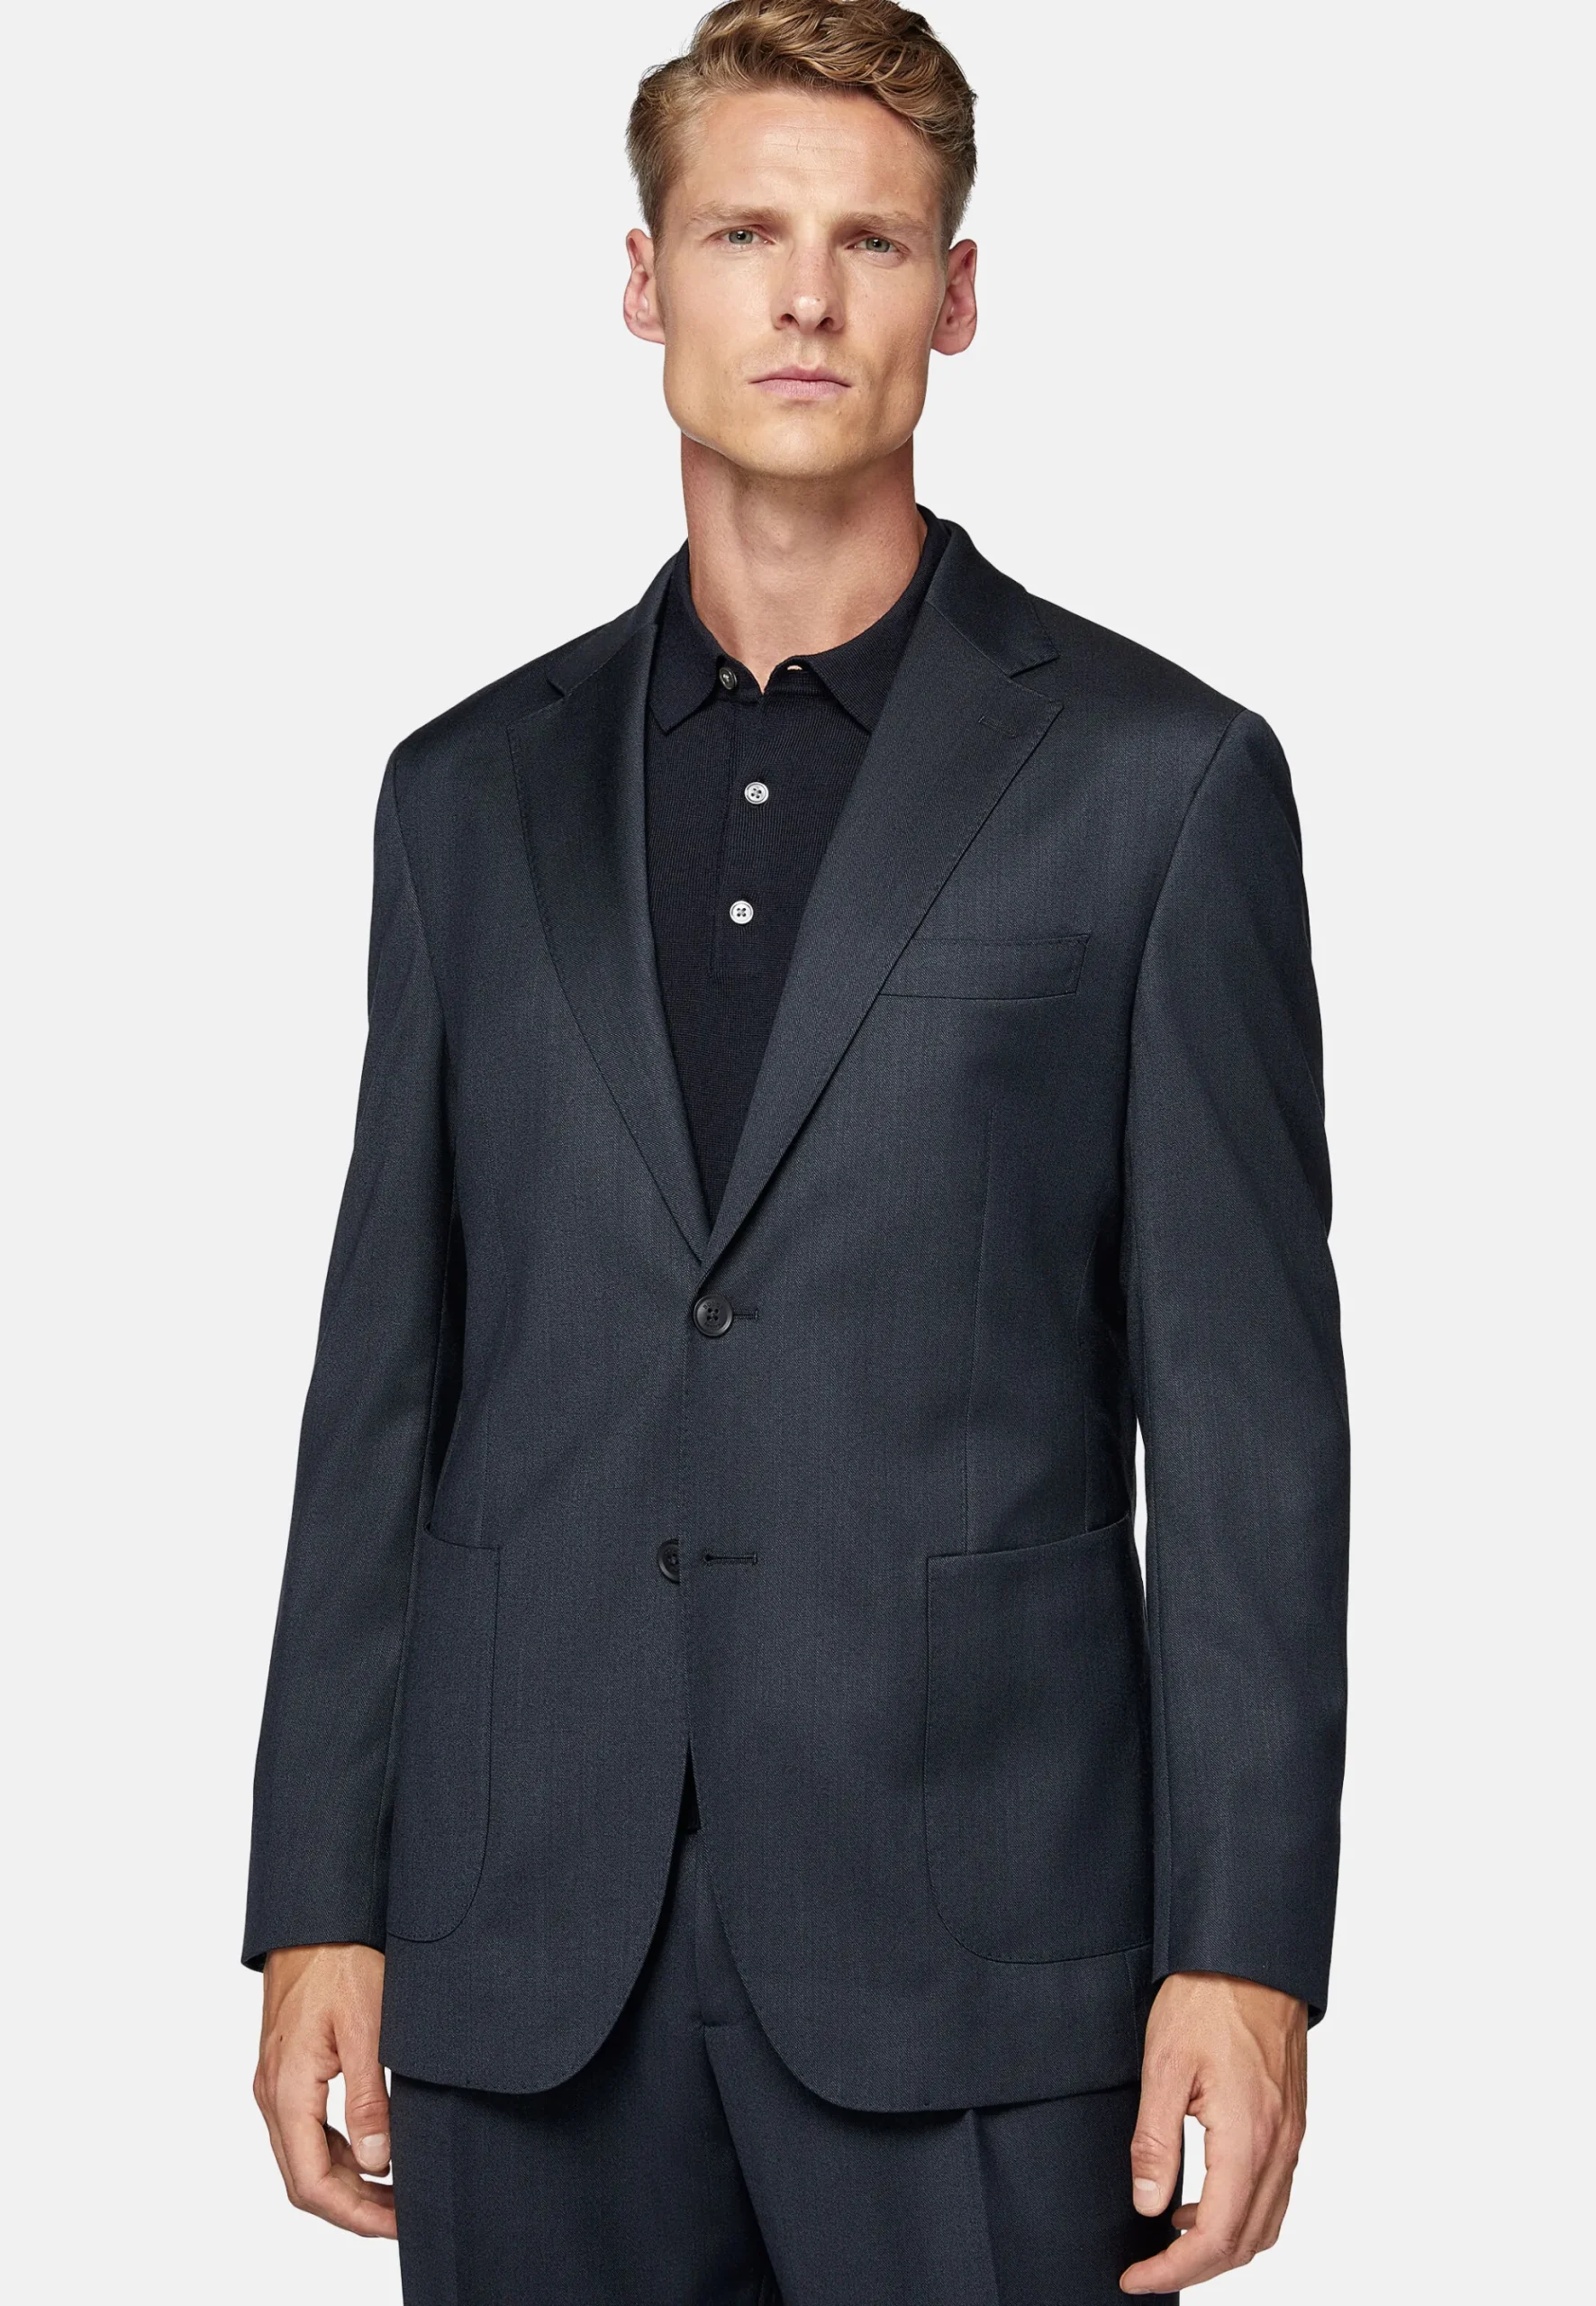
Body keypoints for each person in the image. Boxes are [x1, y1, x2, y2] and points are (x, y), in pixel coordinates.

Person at [246, 5, 1349, 2298]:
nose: (807, 298)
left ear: (959, 293)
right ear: (642, 278)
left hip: (981, 1957)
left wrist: (1244, 1950)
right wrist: (317, 1892)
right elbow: (385, 1382)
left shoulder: (1158, 782)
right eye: (745, 232)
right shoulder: (463, 796)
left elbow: (1247, 1421)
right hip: (523, 1947)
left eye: (873, 241)